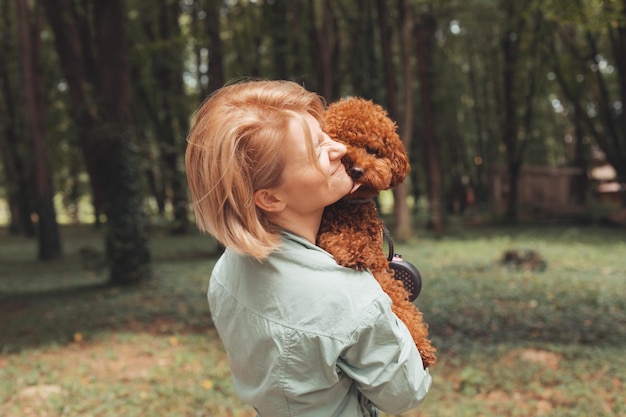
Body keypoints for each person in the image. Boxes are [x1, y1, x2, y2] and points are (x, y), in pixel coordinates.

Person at [185, 79, 432, 417]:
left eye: (325, 135)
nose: (340, 150)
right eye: (317, 149)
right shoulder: (350, 296)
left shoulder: (227, 270)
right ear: (270, 197)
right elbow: (407, 392)